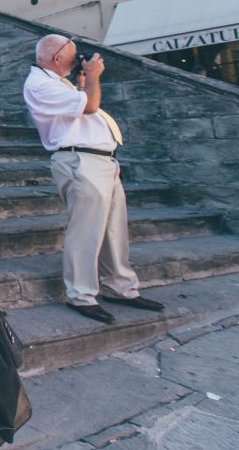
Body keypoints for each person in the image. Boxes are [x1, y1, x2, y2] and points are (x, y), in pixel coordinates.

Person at [23, 34, 165, 324]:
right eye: (73, 56)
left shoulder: (55, 82)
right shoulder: (39, 84)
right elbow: (88, 107)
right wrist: (93, 76)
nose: (78, 61)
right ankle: (81, 295)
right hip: (79, 160)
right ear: (57, 57)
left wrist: (82, 81)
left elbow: (77, 105)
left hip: (100, 160)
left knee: (114, 231)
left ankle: (120, 287)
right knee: (85, 232)